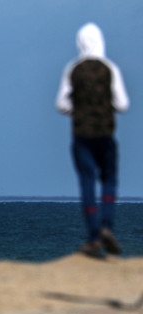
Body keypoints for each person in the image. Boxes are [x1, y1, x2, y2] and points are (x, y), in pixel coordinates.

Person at [56, 22, 129, 258]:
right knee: (109, 179)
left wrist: (77, 109)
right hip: (105, 135)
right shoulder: (110, 68)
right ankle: (107, 225)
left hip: (81, 135)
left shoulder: (73, 69)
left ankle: (94, 237)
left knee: (87, 182)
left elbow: (61, 104)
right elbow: (123, 104)